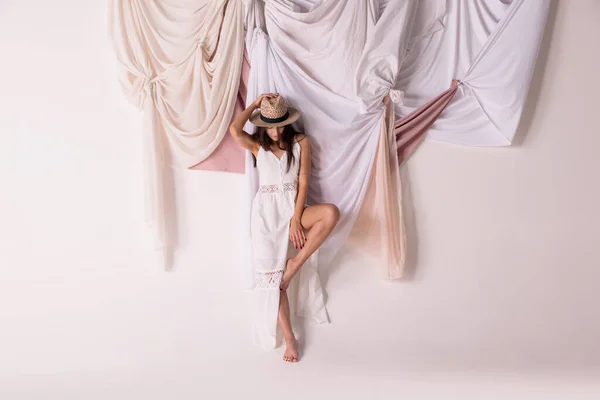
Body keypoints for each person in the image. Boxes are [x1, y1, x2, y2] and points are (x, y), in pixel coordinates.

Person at [229, 93, 340, 363]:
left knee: (330, 213)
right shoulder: (257, 146)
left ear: (287, 122)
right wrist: (254, 104)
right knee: (273, 283)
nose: (276, 131)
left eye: (280, 124)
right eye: (270, 126)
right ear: (263, 124)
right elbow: (234, 130)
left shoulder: (301, 142)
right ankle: (290, 337)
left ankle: (294, 265)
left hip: (293, 208)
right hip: (266, 218)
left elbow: (303, 181)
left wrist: (296, 217)